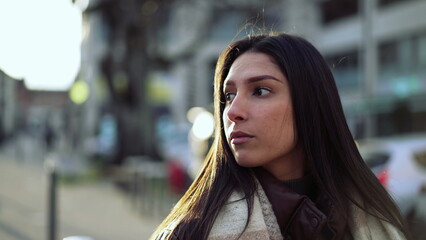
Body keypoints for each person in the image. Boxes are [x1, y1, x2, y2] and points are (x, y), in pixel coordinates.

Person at [150, 33, 410, 240]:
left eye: (260, 90)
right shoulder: (190, 232)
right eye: (229, 96)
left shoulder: (375, 219)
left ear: (310, 103)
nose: (233, 112)